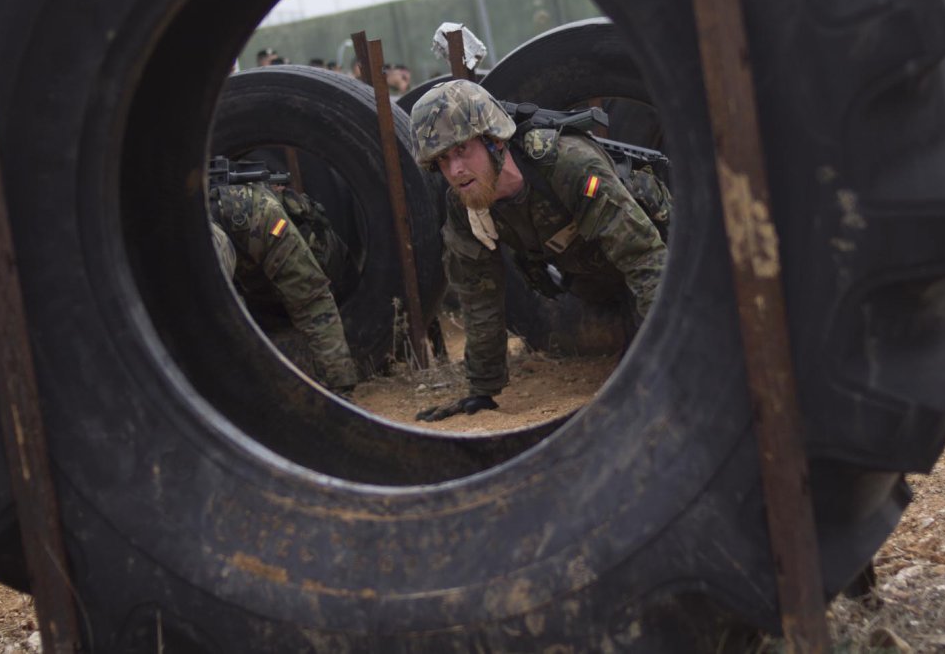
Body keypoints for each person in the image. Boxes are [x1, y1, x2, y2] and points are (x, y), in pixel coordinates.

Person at [409, 80, 668, 421]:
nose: (455, 171)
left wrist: (668, 349)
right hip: (596, 279)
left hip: (668, 261)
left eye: (461, 150)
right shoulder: (465, 206)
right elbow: (479, 295)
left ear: (494, 141)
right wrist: (482, 391)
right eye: (442, 159)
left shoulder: (567, 164)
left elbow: (645, 258)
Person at [209, 181, 359, 394]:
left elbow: (312, 302)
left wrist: (340, 386)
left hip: (319, 261)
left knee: (308, 299)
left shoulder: (260, 217)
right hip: (248, 282)